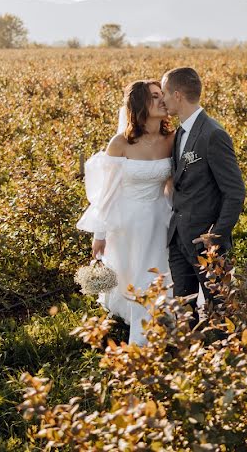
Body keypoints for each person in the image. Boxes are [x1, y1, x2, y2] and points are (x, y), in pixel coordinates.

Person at [76, 80, 174, 345]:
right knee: (135, 276)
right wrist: (100, 234)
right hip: (128, 222)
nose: (162, 100)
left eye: (162, 94)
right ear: (140, 104)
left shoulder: (172, 139)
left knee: (156, 274)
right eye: (155, 96)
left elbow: (173, 185)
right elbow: (107, 194)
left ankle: (155, 333)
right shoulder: (120, 143)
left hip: (160, 217)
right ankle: (144, 341)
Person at [160, 67, 246, 329]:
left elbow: (235, 191)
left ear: (177, 95)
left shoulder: (213, 134)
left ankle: (229, 363)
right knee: (184, 313)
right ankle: (191, 363)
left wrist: (215, 238)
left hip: (205, 243)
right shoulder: (180, 133)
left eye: (163, 93)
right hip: (178, 239)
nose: (162, 100)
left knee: (221, 312)